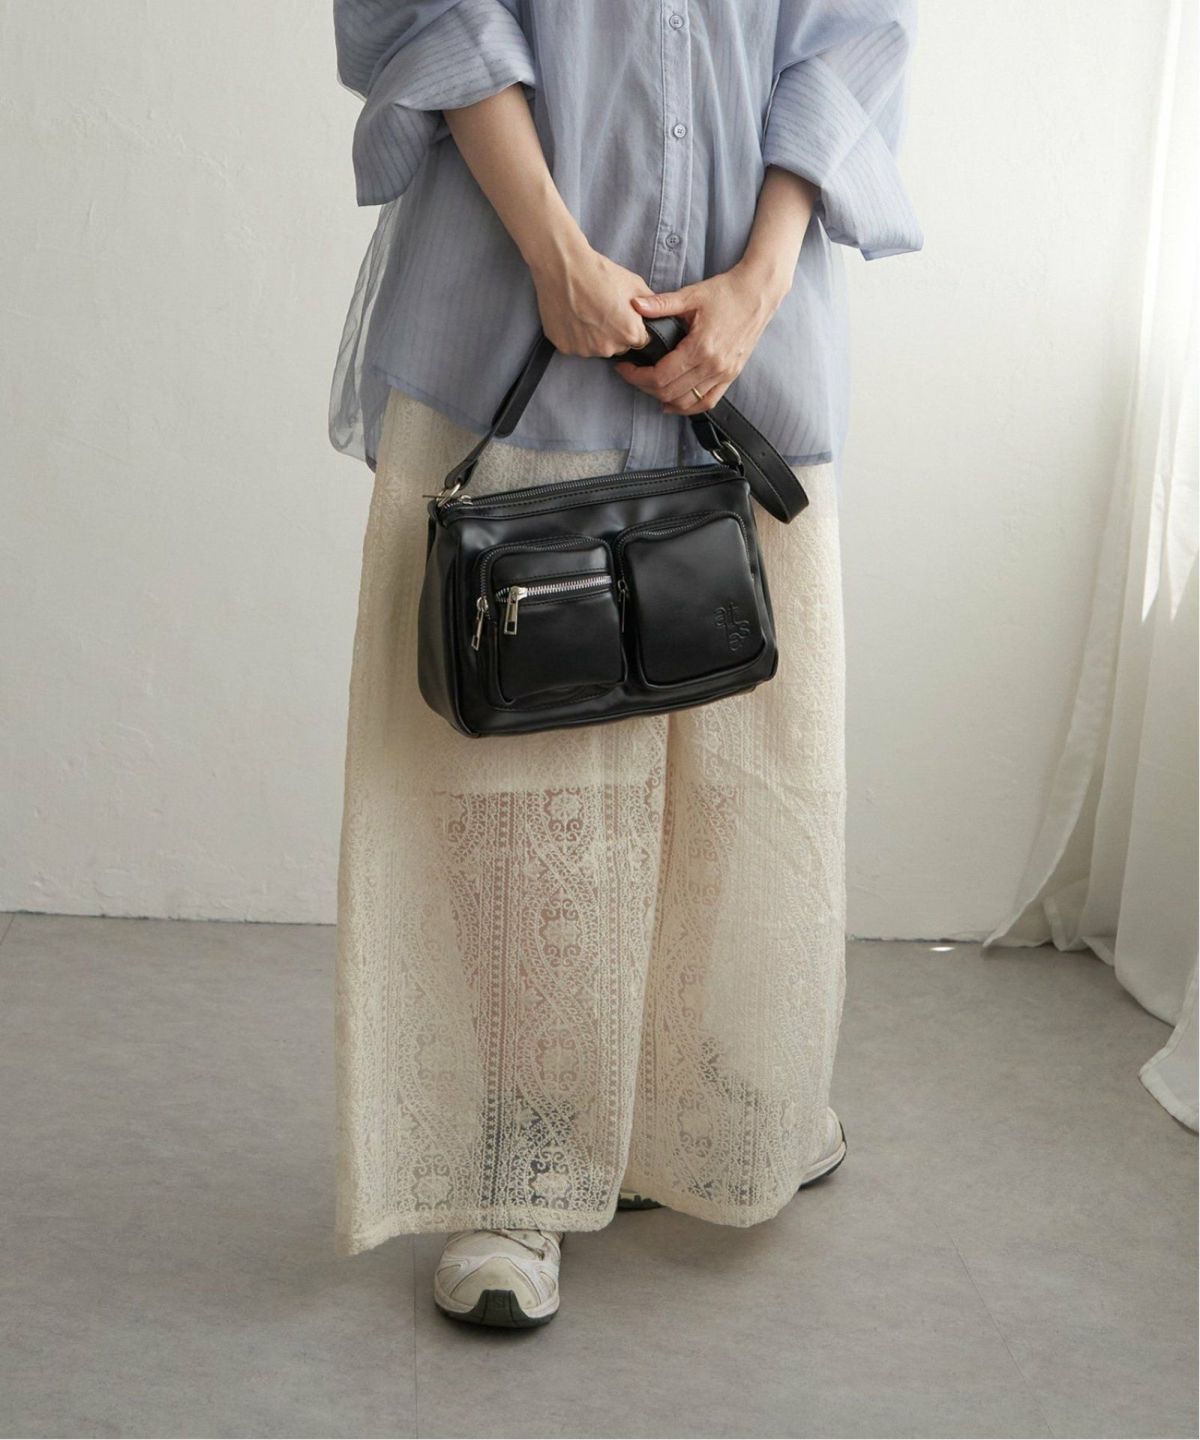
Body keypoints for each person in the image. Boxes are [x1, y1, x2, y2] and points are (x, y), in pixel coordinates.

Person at [329, 0, 922, 1329]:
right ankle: (516, 1163)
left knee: (746, 753)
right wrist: (554, 252)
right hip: (515, 298)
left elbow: (850, 30)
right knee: (510, 760)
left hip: (744, 334)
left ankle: (700, 1108)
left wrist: (761, 281)